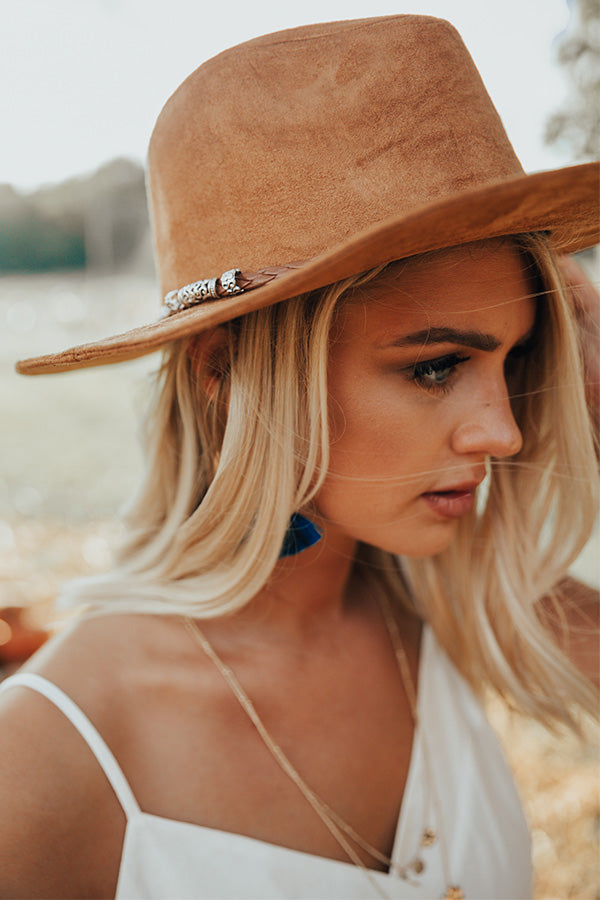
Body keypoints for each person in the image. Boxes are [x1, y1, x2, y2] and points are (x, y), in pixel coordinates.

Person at [0, 15, 598, 900]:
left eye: (513, 360)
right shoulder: (46, 755)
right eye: (436, 367)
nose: (503, 433)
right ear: (224, 370)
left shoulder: (458, 601)